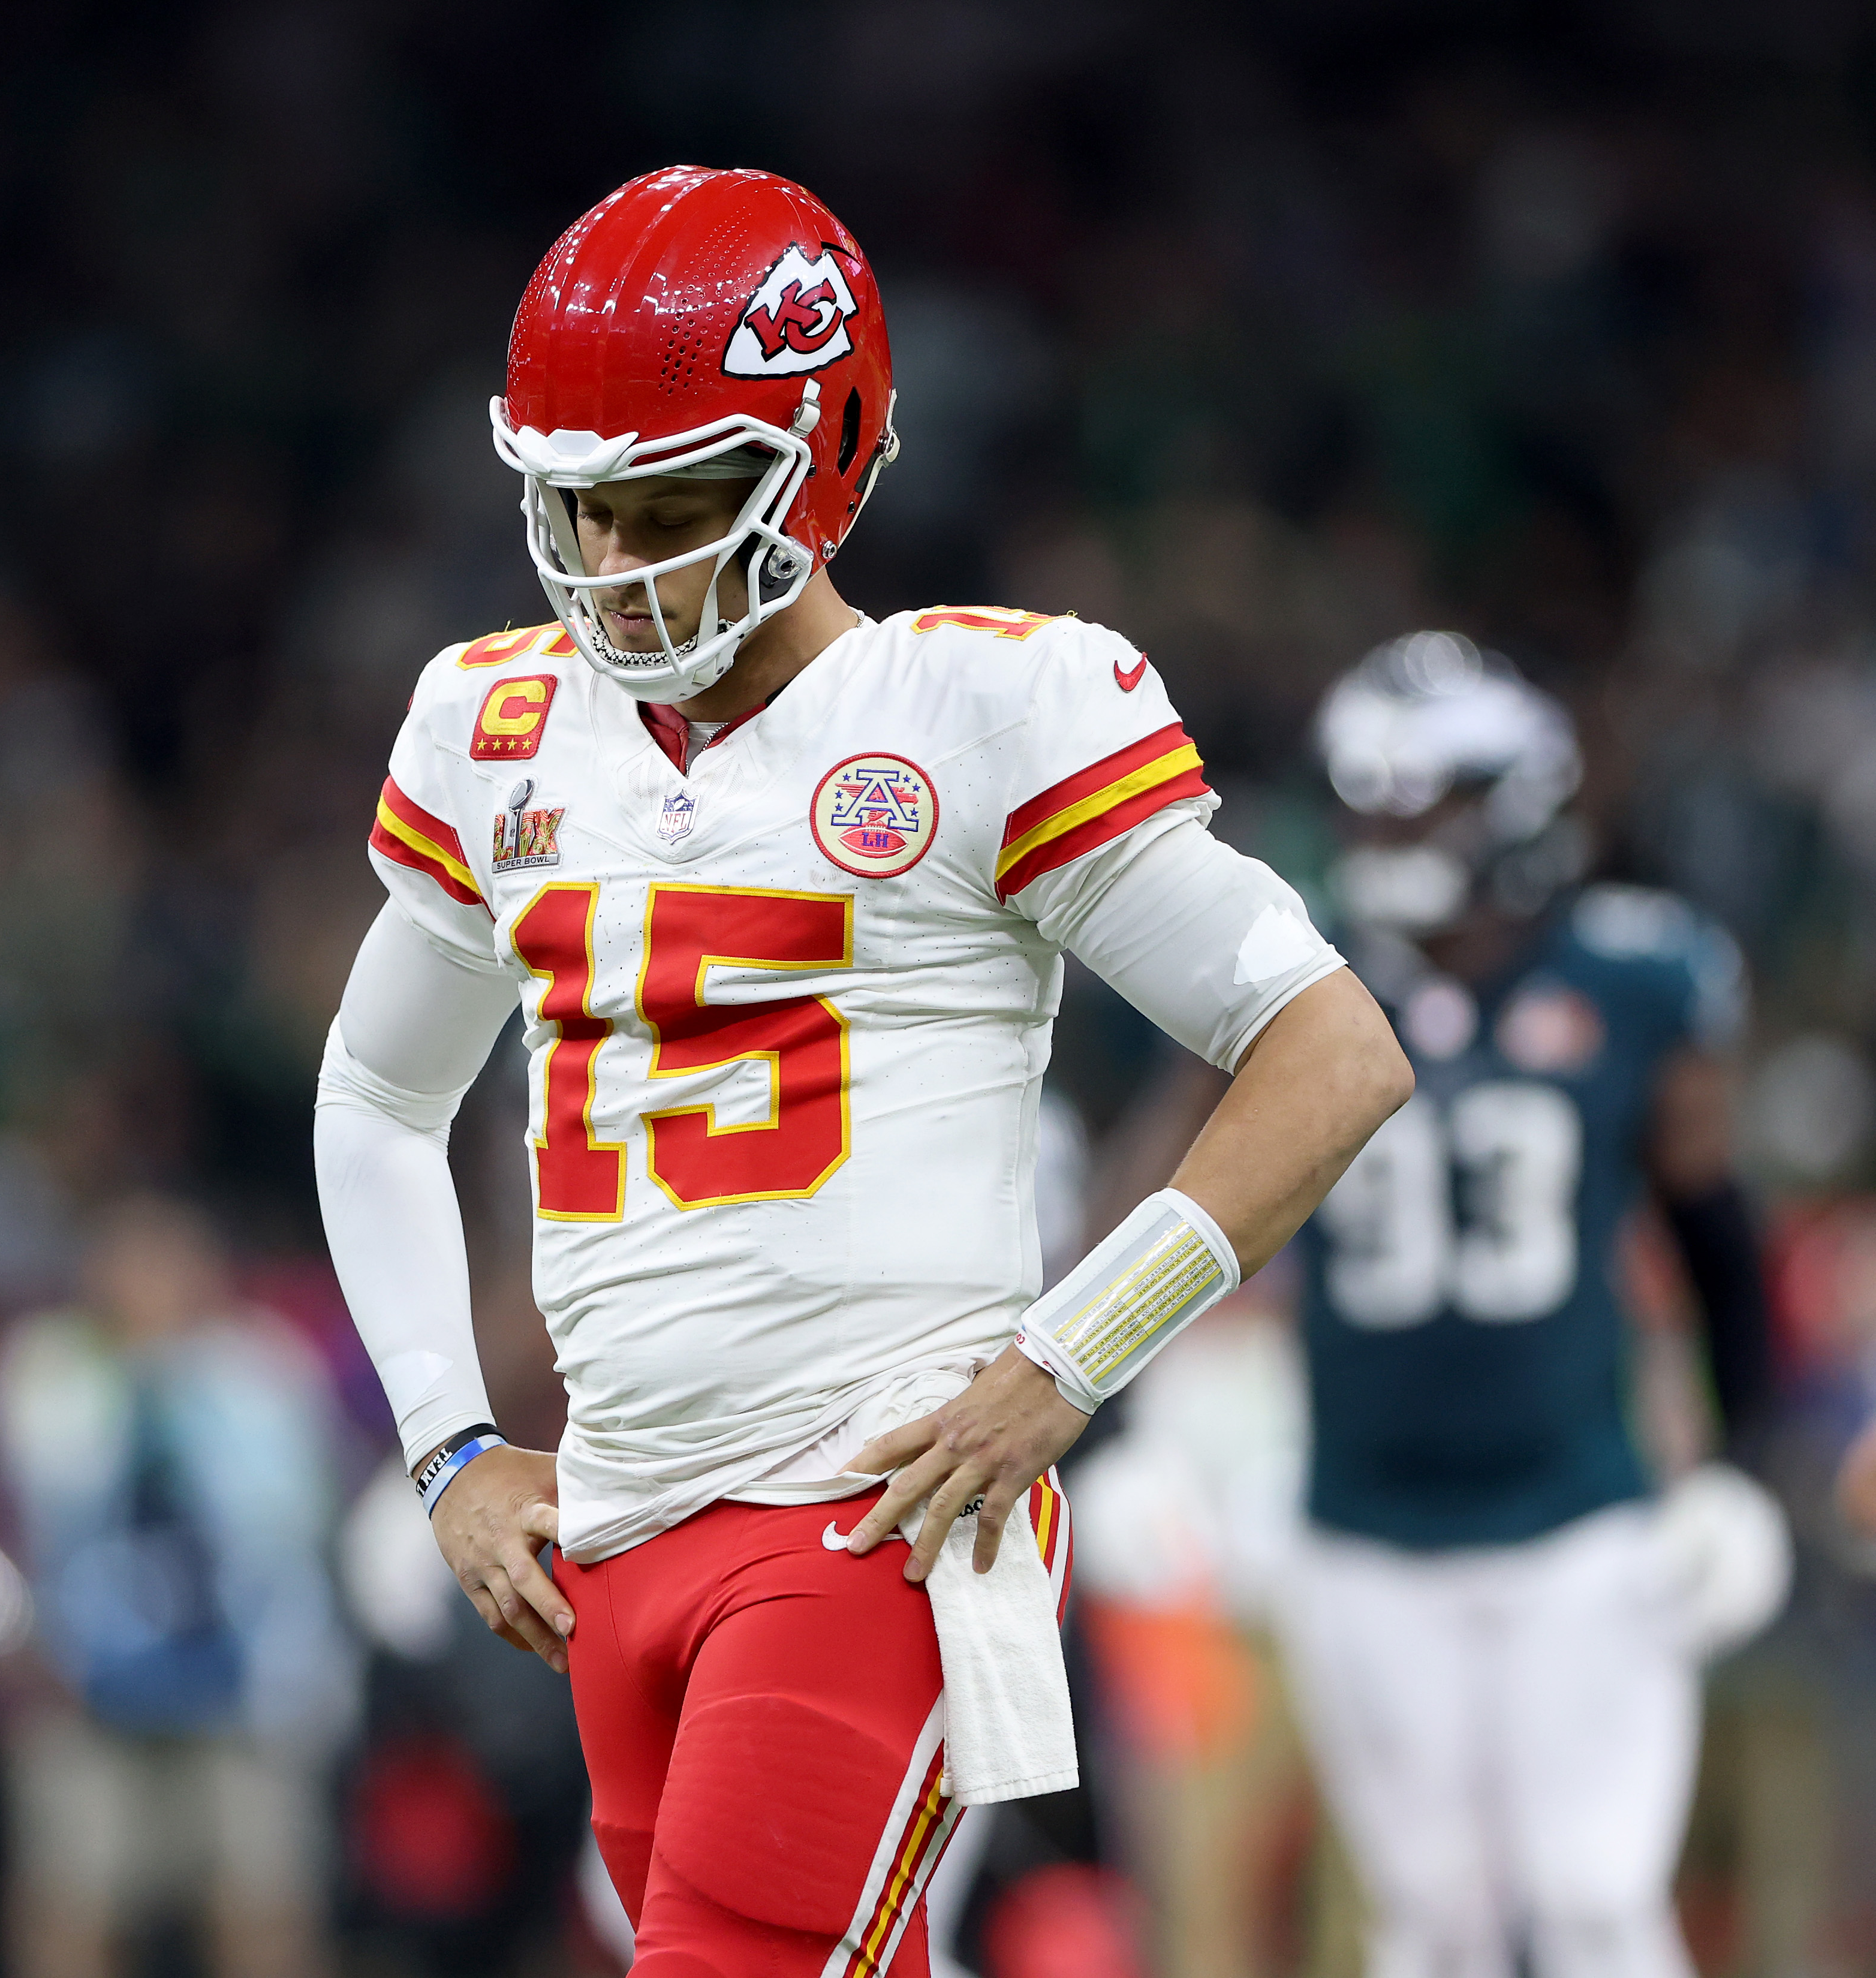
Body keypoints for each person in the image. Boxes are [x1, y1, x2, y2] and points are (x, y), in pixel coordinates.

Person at [311, 165, 1414, 1978]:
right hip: (616, 1523)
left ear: (815, 458)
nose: (609, 562)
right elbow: (372, 1097)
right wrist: (442, 1444)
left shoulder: (976, 708)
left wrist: (1067, 1358)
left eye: (659, 501)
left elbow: (1327, 1047)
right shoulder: (489, 723)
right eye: (575, 508)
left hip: (869, 1511)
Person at [1272, 632, 1786, 1978]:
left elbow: (1721, 1238)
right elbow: (1173, 1195)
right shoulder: (1301, 973)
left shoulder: (1632, 972)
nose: (1384, 827)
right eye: (1366, 797)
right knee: (1431, 1922)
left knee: (1595, 1902)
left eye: (1420, 798)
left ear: (1512, 801)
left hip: (1577, 1520)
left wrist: (1748, 1469)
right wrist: (1124, 1421)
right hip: (1362, 1524)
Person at [0, 1196, 350, 1978]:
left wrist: (183, 1388)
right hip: (83, 1679)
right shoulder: (49, 1366)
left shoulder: (262, 1367)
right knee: (70, 1900)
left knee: (262, 1900)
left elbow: (286, 1515)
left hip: (246, 1681)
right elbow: (48, 1500)